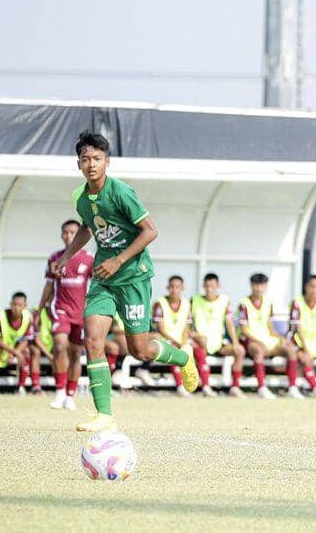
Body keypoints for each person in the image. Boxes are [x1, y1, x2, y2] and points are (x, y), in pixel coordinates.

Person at [51, 130, 198, 433]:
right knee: (93, 338)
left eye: (97, 159)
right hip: (104, 279)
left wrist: (119, 259)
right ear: (78, 164)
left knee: (140, 350)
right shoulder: (79, 197)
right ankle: (104, 414)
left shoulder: (121, 192)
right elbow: (87, 228)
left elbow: (150, 230)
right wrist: (66, 257)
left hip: (133, 277)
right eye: (85, 159)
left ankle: (183, 357)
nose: (91, 164)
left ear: (107, 162)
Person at [38, 220, 94, 410]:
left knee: (76, 353)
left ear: (80, 235)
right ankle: (60, 391)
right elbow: (48, 285)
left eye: (72, 232)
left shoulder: (89, 259)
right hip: (60, 308)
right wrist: (39, 309)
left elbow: (97, 286)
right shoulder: (55, 258)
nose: (68, 236)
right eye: (65, 232)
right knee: (60, 345)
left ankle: (70, 394)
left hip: (81, 313)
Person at [238, 272, 302, 399]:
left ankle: (293, 387)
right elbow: (244, 330)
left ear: (265, 286)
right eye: (256, 285)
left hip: (266, 339)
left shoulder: (268, 303)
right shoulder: (244, 304)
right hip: (250, 339)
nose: (259, 288)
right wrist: (259, 341)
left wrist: (282, 339)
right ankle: (262, 387)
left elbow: (270, 328)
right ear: (251, 286)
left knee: (290, 349)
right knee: (258, 350)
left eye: (261, 285)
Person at [191, 272, 245, 398]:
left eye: (212, 286)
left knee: (240, 351)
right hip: (201, 342)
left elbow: (230, 323)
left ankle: (235, 387)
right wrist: (195, 336)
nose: (210, 289)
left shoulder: (224, 300)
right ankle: (205, 386)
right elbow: (187, 323)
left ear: (218, 285)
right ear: (203, 286)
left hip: (218, 343)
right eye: (207, 286)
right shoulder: (194, 300)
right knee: (200, 349)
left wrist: (235, 342)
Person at [0, 291, 33, 395]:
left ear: (25, 306)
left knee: (26, 351)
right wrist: (14, 352)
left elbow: (27, 339)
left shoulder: (28, 318)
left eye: (19, 305)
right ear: (10, 304)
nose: (16, 307)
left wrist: (15, 351)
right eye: (14, 304)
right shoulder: (1, 316)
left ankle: (21, 387)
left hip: (7, 342)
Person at [152, 275, 193, 397]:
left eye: (178, 287)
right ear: (167, 288)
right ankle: (180, 385)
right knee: (175, 351)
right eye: (172, 287)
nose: (174, 290)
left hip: (180, 340)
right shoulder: (160, 303)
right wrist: (176, 342)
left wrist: (184, 342)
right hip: (165, 338)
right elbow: (160, 328)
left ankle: (204, 385)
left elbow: (187, 327)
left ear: (182, 288)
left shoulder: (186, 304)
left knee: (196, 349)